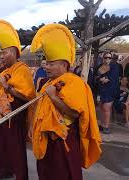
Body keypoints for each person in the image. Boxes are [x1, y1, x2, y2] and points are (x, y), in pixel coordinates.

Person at [31, 24, 102, 180]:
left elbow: (74, 113)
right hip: (46, 139)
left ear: (64, 65)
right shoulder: (48, 84)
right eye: (47, 64)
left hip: (63, 141)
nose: (47, 67)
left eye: (51, 64)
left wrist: (54, 97)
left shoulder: (75, 83)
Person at [0, 20, 36, 180]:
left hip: (15, 114)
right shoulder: (5, 70)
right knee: (1, 144)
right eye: (0, 53)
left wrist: (7, 87)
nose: (1, 56)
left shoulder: (22, 71)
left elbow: (28, 96)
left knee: (16, 146)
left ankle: (21, 175)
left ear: (15, 52)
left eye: (5, 53)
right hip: (1, 114)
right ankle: (5, 169)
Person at [97, 52, 119, 134]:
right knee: (100, 108)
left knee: (106, 108)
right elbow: (96, 77)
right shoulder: (99, 67)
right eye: (106, 57)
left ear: (112, 59)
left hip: (110, 91)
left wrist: (105, 79)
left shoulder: (114, 66)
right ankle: (102, 125)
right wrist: (100, 79)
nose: (107, 59)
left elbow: (112, 79)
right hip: (101, 90)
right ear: (103, 58)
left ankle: (106, 126)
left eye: (109, 58)